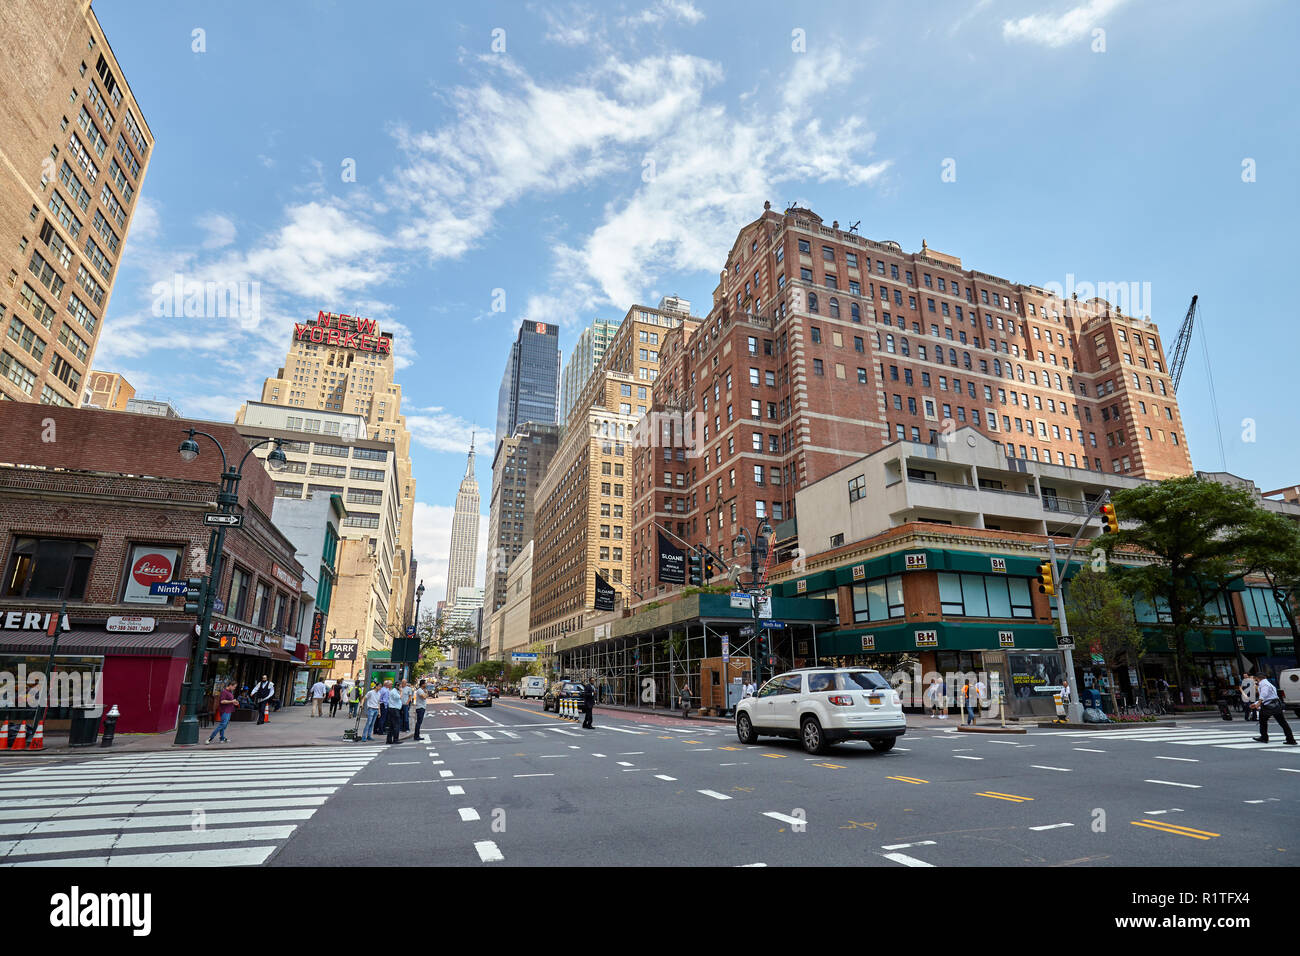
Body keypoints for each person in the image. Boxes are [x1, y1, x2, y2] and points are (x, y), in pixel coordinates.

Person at [1250, 671, 1297, 745]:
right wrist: (1256, 703)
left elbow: (1264, 694)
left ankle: (1264, 737)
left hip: (1269, 706)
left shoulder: (1263, 684)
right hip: (1275, 705)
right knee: (1282, 722)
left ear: (1258, 678)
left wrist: (1258, 703)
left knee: (1263, 721)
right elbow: (1270, 696)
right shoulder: (1269, 684)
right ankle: (1291, 739)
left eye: (1256, 679)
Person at [384, 680, 403, 744]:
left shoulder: (394, 691)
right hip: (394, 710)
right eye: (400, 686)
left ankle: (389, 740)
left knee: (392, 725)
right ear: (397, 686)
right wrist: (401, 692)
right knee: (396, 725)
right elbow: (399, 697)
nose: (401, 687)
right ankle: (395, 739)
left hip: (394, 709)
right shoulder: (394, 691)